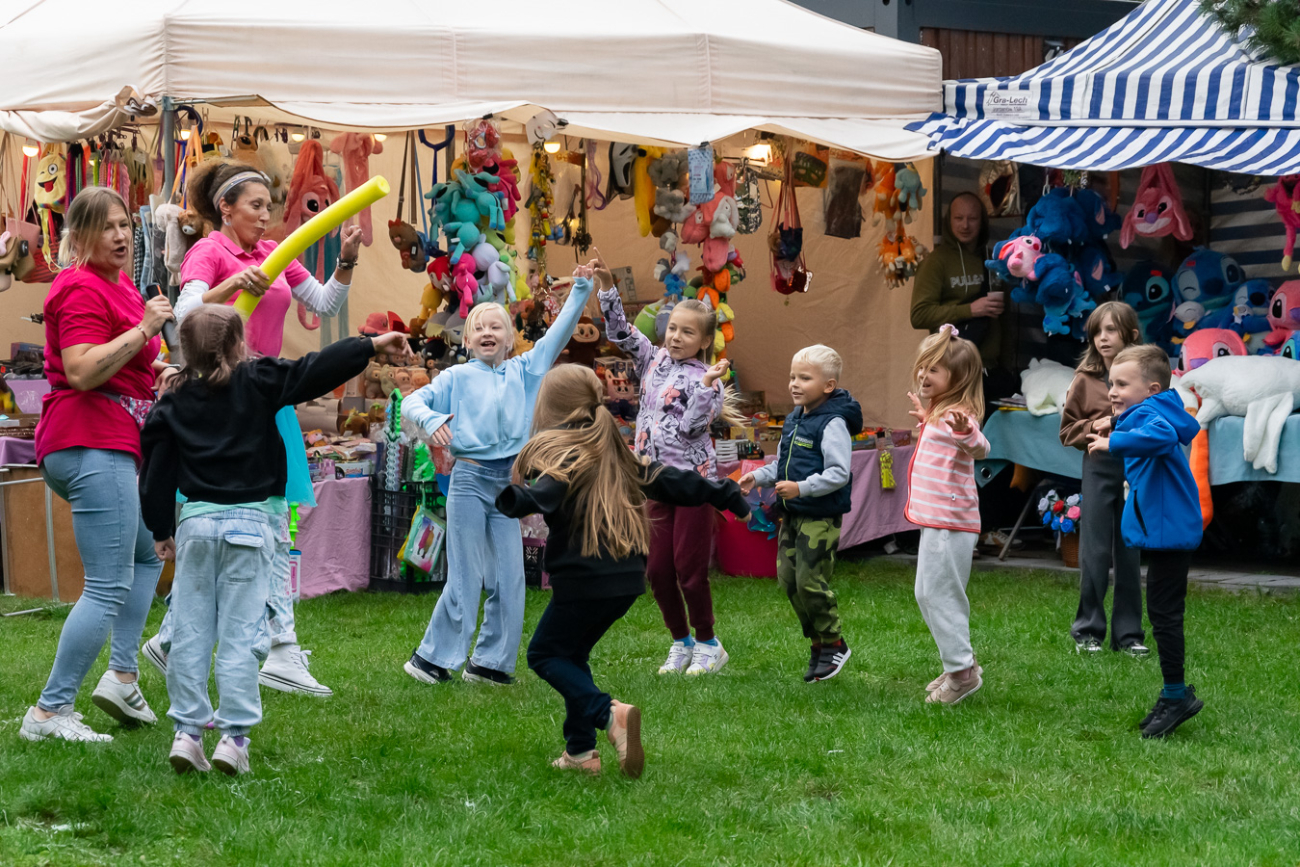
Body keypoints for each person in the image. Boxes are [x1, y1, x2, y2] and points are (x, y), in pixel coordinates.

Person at [139, 304, 408, 774]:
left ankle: (186, 731)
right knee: (243, 635)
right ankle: (232, 739)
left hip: (197, 527)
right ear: (238, 344)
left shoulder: (173, 397)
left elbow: (156, 470)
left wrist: (160, 529)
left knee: (190, 632)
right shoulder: (259, 379)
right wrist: (369, 344)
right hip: (252, 526)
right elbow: (315, 369)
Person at [142, 159, 361, 697]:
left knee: (272, 521)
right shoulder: (208, 251)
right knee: (260, 522)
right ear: (226, 208)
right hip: (225, 398)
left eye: (270, 208)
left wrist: (348, 263)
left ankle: (183, 638)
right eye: (256, 207)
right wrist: (229, 286)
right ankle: (277, 649)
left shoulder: (273, 253)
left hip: (264, 390)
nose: (266, 219)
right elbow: (187, 312)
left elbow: (326, 302)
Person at [497, 365, 749, 776]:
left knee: (544, 653)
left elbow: (547, 491)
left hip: (583, 579)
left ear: (549, 408)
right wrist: (726, 494)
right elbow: (676, 482)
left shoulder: (569, 455)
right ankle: (579, 752)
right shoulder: (617, 453)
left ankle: (608, 714)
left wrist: (514, 498)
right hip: (625, 580)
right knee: (572, 654)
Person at [20, 188, 178, 744]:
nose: (118, 236)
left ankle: (123, 676)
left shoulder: (118, 285)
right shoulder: (81, 284)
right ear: (80, 237)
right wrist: (144, 331)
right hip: (91, 437)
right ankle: (47, 712)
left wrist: (157, 366)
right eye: (105, 227)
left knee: (143, 558)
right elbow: (83, 369)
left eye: (124, 227)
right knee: (108, 584)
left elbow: (130, 355)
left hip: (108, 439)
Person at [401, 261, 599, 687]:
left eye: (497, 327)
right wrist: (432, 422)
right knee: (467, 577)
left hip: (509, 486)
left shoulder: (525, 370)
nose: (488, 333)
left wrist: (580, 288)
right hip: (469, 482)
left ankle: (490, 664)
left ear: (511, 339)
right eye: (479, 328)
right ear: (467, 340)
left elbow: (559, 334)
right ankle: (430, 660)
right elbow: (412, 403)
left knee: (511, 580)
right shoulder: (455, 376)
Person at [598, 291, 735, 676]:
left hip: (693, 484)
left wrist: (707, 386)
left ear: (705, 341)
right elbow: (621, 333)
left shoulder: (709, 381)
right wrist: (608, 290)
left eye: (687, 332)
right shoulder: (653, 359)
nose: (675, 337)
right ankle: (681, 641)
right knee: (657, 570)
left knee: (688, 570)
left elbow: (692, 430)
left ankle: (709, 644)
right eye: (672, 328)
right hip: (654, 480)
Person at [1086, 345, 1204, 739]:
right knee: (1163, 612)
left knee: (1165, 615)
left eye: (1122, 384)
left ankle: (1176, 696)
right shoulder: (1152, 411)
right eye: (1111, 383)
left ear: (1152, 388)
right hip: (1171, 530)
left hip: (1173, 533)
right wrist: (1114, 427)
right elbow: (1149, 427)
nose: (1114, 391)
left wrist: (1112, 442)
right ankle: (1173, 692)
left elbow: (1159, 436)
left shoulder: (1155, 417)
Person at [738, 345, 862, 683]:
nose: (794, 383)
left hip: (819, 515)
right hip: (792, 513)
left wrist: (801, 488)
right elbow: (781, 464)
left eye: (804, 378)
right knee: (789, 580)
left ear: (828, 385)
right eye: (793, 376)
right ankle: (818, 643)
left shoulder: (833, 423)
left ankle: (835, 642)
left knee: (810, 580)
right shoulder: (794, 419)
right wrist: (759, 476)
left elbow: (839, 472)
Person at [904, 324, 990, 705]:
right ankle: (960, 661)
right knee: (929, 593)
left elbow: (980, 446)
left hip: (950, 523)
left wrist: (964, 433)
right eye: (923, 366)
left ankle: (962, 675)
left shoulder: (960, 415)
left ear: (958, 379)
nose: (924, 374)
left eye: (934, 369)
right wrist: (928, 419)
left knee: (939, 594)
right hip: (937, 521)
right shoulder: (942, 412)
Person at [1060, 302, 1148, 656]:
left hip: (1135, 466)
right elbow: (1066, 430)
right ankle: (1088, 632)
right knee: (1094, 550)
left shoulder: (1145, 375)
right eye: (1097, 331)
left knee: (1129, 552)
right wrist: (1093, 426)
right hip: (1098, 465)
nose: (1103, 338)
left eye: (1111, 330)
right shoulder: (1085, 379)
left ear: (1132, 334)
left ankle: (1129, 636)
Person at [910, 193, 1003, 377]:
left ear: (982, 221)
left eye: (972, 218)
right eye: (959, 218)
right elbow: (919, 315)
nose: (965, 225)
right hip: (951, 368)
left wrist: (1005, 366)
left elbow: (1003, 322)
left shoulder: (993, 259)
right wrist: (969, 310)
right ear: (949, 220)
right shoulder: (936, 261)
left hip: (989, 368)